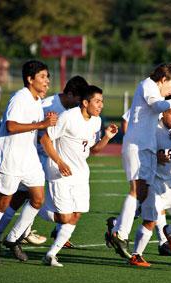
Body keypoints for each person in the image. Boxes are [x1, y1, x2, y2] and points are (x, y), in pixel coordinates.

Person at [0, 75, 88, 249]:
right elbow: (20, 125)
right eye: (79, 99)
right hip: (32, 155)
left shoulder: (67, 111)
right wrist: (43, 126)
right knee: (12, 194)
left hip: (39, 157)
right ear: (70, 94)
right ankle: (14, 232)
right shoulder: (47, 104)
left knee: (16, 195)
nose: (80, 103)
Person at [107, 63, 171, 259]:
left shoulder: (157, 91)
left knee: (143, 192)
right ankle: (120, 233)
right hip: (136, 146)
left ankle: (117, 227)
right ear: (163, 79)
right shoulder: (148, 85)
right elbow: (158, 106)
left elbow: (166, 112)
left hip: (146, 147)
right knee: (137, 189)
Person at [0, 60, 57, 265]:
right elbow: (11, 126)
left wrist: (46, 126)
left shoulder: (37, 101)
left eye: (47, 76)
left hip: (29, 158)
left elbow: (37, 130)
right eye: (42, 76)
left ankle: (12, 238)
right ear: (30, 79)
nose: (47, 81)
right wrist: (41, 123)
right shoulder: (19, 98)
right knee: (2, 202)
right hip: (11, 158)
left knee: (37, 198)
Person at [39, 85, 118, 266]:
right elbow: (45, 139)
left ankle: (51, 254)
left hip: (81, 174)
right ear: (85, 102)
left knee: (77, 214)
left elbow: (92, 151)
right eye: (97, 101)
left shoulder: (96, 121)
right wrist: (59, 162)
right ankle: (35, 204)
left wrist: (106, 137)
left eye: (102, 102)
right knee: (64, 218)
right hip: (60, 172)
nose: (101, 105)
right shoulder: (68, 117)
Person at [129, 104, 171, 267]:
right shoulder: (153, 130)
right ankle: (136, 255)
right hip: (153, 181)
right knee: (149, 220)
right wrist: (155, 158)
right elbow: (137, 153)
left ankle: (170, 232)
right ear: (163, 113)